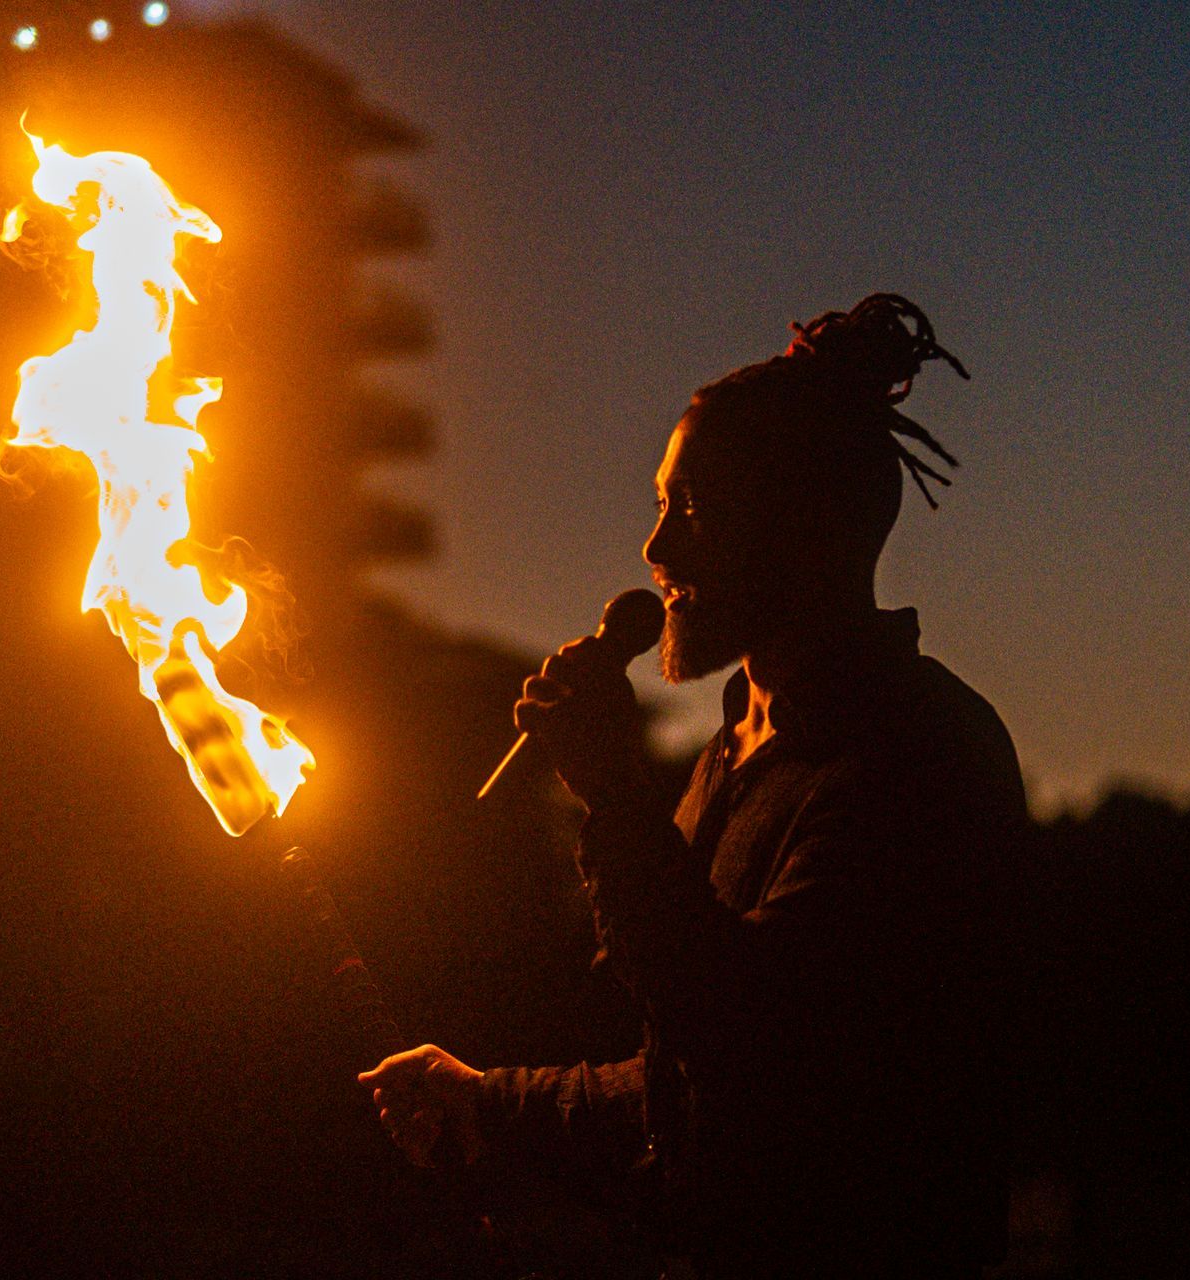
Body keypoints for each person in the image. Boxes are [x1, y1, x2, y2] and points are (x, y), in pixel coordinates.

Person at [360, 294, 1030, 1278]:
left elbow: (755, 1044)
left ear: (807, 531)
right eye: (662, 503)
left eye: (694, 510)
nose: (656, 549)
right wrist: (488, 1098)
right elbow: (680, 1082)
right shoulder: (736, 747)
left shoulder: (918, 755)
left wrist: (614, 794)